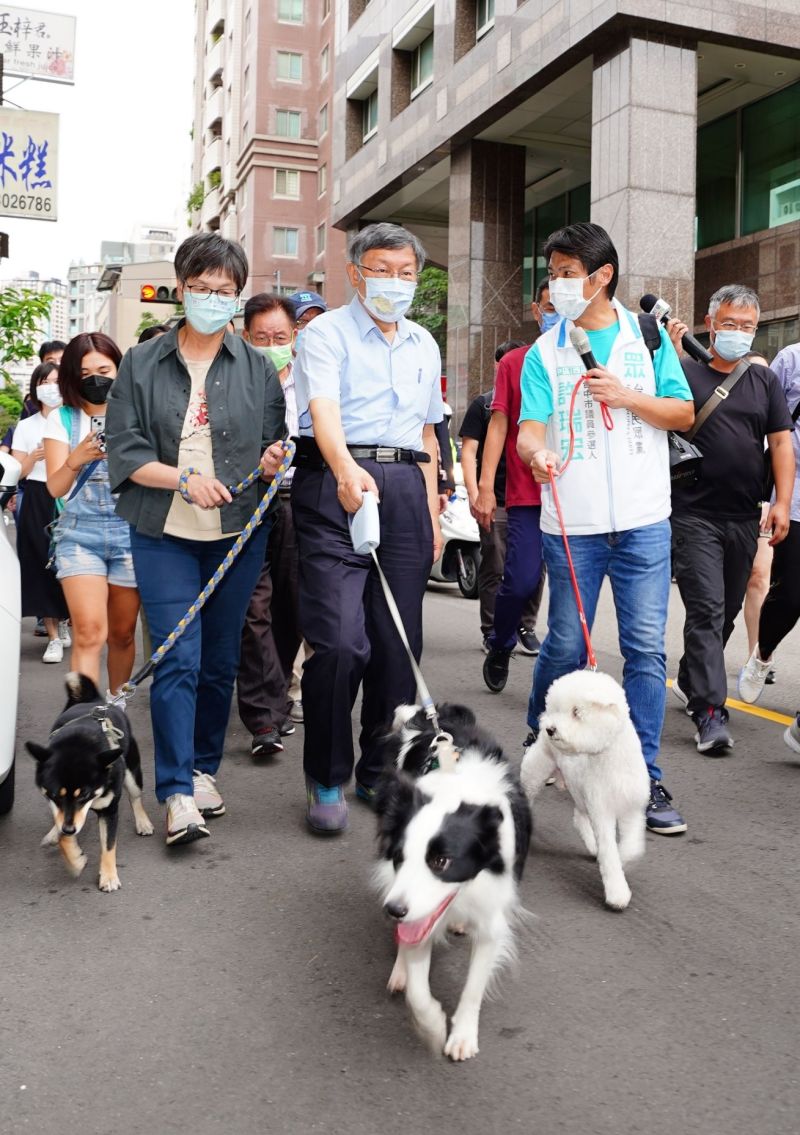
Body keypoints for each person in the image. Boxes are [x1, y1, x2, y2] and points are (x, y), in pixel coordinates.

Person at [106, 232, 286, 847]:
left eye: (226, 291)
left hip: (236, 532)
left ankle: (205, 769)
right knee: (178, 656)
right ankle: (177, 791)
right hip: (163, 529)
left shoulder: (257, 366)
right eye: (203, 288)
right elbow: (127, 453)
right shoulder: (142, 361)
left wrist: (271, 462)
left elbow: (273, 444)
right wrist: (183, 479)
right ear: (181, 289)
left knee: (219, 661)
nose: (214, 298)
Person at [517, 221, 695, 835]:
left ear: (602, 276)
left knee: (645, 650)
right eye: (555, 275)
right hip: (573, 525)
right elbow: (530, 427)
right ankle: (542, 738)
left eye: (568, 274)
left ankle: (642, 777)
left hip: (645, 520)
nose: (559, 285)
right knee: (565, 644)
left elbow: (683, 412)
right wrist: (533, 453)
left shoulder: (648, 338)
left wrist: (626, 397)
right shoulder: (545, 352)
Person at [291, 221, 443, 833]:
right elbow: (322, 412)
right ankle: (326, 775)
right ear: (356, 272)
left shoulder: (424, 344)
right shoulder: (324, 333)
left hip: (405, 488)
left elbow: (430, 434)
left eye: (407, 273)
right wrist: (346, 470)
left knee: (397, 647)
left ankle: (379, 769)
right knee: (338, 642)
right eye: (382, 270)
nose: (395, 283)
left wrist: (431, 513)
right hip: (336, 484)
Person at [668, 285, 793, 754]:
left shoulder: (763, 382)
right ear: (710, 321)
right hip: (693, 512)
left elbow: (781, 443)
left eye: (747, 326)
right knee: (706, 608)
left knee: (729, 609)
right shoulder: (683, 373)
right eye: (729, 323)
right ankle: (710, 712)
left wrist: (781, 502)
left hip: (744, 516)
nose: (738, 332)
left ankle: (689, 678)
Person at [474, 280, 559, 692]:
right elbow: (498, 427)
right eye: (550, 305)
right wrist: (486, 487)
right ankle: (502, 641)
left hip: (578, 498)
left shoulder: (590, 359)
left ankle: (562, 680)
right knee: (522, 579)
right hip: (527, 495)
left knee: (568, 590)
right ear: (536, 309)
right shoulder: (516, 363)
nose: (558, 312)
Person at [43, 332, 140, 696]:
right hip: (79, 535)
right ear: (71, 376)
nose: (96, 379)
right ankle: (86, 718)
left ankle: (114, 712)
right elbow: (54, 488)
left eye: (104, 369)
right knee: (88, 632)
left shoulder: (135, 414)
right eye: (85, 373)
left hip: (131, 531)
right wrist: (76, 458)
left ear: (120, 369)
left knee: (122, 633)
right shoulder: (62, 419)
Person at [236, 292, 311, 758]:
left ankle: (278, 690)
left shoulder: (312, 382)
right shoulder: (234, 383)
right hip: (248, 500)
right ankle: (263, 717)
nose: (271, 344)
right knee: (253, 609)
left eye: (279, 336)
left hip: (301, 501)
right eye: (261, 337)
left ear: (294, 336)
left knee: (293, 609)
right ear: (246, 337)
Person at [736, 339, 800, 747]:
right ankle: (762, 653)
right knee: (791, 596)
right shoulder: (792, 359)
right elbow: (765, 425)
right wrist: (771, 497)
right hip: (794, 501)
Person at [459, 338, 538, 653]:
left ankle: (526, 626)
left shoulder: (539, 396)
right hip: (499, 498)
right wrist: (477, 491)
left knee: (534, 569)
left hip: (534, 497)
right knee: (494, 562)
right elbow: (469, 452)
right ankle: (492, 630)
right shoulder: (484, 404)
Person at [11, 362, 70, 661]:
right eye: (45, 381)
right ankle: (53, 635)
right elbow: (17, 473)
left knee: (71, 562)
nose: (51, 386)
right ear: (36, 388)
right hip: (37, 494)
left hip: (72, 496)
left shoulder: (75, 418)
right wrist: (33, 457)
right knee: (40, 560)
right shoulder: (26, 426)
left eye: (57, 380)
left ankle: (67, 619)